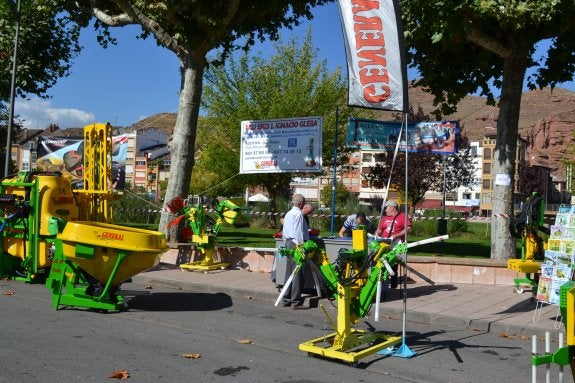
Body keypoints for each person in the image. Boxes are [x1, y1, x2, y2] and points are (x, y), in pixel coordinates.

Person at [281, 194, 309, 309]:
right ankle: (295, 302)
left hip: (288, 242)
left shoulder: (288, 213)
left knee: (289, 272)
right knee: (297, 272)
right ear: (302, 203)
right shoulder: (298, 214)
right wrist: (301, 246)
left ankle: (286, 299)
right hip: (295, 244)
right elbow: (298, 232)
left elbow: (285, 230)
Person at [375, 200, 412, 288]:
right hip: (384, 244)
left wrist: (397, 235)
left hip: (397, 244)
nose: (385, 210)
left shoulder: (402, 216)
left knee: (392, 263)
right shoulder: (384, 218)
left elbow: (408, 229)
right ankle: (384, 284)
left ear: (393, 208)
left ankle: (393, 284)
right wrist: (376, 234)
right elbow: (380, 229)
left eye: (386, 208)